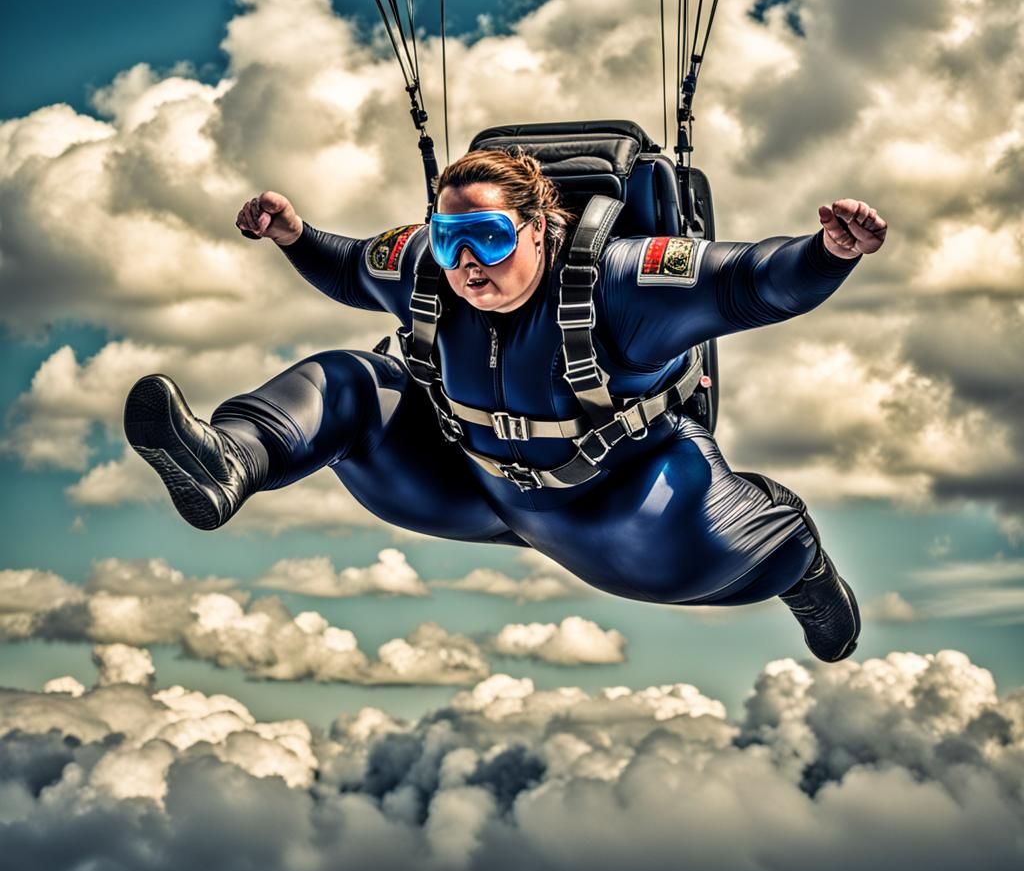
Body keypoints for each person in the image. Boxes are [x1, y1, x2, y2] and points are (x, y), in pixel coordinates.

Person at [124, 149, 887, 662]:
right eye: (449, 237)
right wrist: (294, 236)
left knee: (740, 541)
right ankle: (230, 459)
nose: (463, 263)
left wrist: (830, 253)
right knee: (351, 378)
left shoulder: (620, 282)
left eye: (487, 239)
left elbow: (749, 281)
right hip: (471, 486)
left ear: (540, 226)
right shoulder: (430, 265)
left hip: (625, 514)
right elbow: (355, 267)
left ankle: (808, 576)